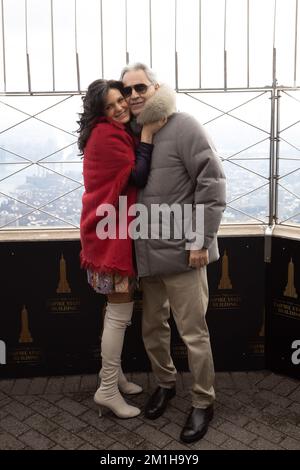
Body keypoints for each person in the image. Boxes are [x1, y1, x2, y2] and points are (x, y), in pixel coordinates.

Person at [121, 63, 226, 442]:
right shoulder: (132, 135)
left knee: (194, 334)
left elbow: (212, 184)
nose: (133, 95)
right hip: (148, 256)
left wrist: (199, 241)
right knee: (153, 330)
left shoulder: (186, 126)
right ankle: (165, 385)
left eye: (140, 87)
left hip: (184, 255)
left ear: (156, 88)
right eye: (127, 89)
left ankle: (203, 402)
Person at [78, 79, 165, 419]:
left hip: (104, 234)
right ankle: (107, 389)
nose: (119, 107)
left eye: (121, 100)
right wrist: (146, 135)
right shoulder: (108, 135)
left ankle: (112, 376)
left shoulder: (105, 133)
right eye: (110, 104)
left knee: (114, 314)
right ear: (100, 111)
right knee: (118, 315)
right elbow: (138, 175)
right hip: (109, 239)